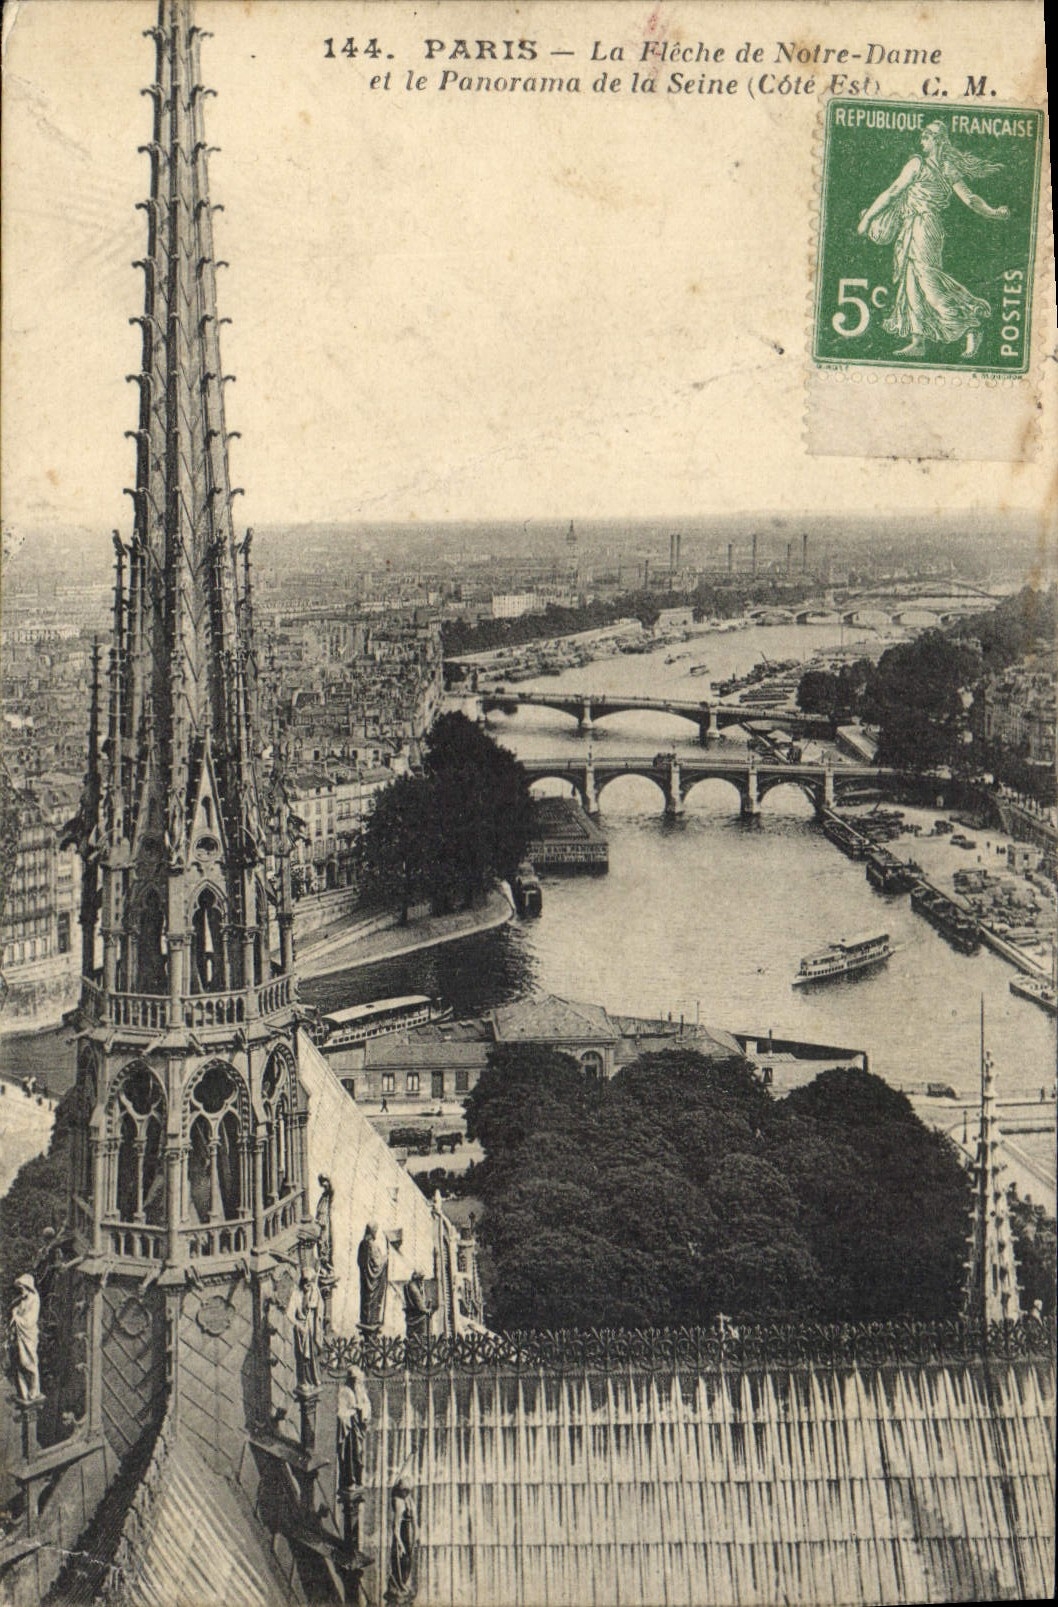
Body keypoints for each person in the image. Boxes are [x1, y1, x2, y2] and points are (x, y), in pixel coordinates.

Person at [857, 121, 1009, 359]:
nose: (922, 141)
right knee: (911, 283)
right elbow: (969, 199)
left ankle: (970, 324)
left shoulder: (921, 165)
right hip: (915, 226)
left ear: (937, 140)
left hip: (924, 227)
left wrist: (867, 219)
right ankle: (918, 341)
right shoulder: (945, 167)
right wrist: (993, 212)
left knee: (928, 282)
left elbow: (894, 191)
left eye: (926, 137)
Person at [336, 1365, 372, 1492]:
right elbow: (340, 1412)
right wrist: (352, 1412)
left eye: (357, 1380)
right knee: (350, 1455)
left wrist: (363, 1412)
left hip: (358, 1427)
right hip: (349, 1429)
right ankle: (350, 1481)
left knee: (359, 1454)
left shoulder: (361, 1391)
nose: (355, 1382)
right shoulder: (344, 1391)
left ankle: (359, 1479)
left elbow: (367, 1405)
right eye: (353, 1380)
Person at [8, 1274, 42, 1403]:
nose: (21, 1291)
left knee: (29, 1363)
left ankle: (34, 1391)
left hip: (28, 1336)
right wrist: (15, 1311)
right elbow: (18, 1309)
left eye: (22, 1288)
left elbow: (29, 1321)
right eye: (20, 1289)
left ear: (28, 1287)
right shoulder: (24, 1299)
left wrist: (16, 1318)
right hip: (20, 1336)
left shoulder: (34, 1300)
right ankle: (24, 1392)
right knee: (19, 1363)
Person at [286, 1272, 322, 1390]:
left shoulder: (314, 1291)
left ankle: (314, 1378)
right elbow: (289, 1314)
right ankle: (304, 1380)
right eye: (305, 1283)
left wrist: (314, 1305)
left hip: (312, 1328)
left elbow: (319, 1307)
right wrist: (299, 1326)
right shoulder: (296, 1294)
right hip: (301, 1330)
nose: (308, 1286)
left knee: (313, 1354)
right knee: (303, 1356)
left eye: (310, 1283)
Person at [357, 1222, 389, 1331]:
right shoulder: (372, 1245)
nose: (376, 1233)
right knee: (373, 1301)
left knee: (365, 1299)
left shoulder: (362, 1244)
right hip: (373, 1282)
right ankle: (372, 1320)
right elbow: (377, 1263)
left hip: (365, 1279)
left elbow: (360, 1261)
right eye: (375, 1231)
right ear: (372, 1232)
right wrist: (386, 1258)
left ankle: (366, 1319)